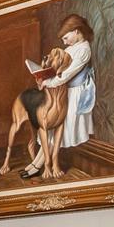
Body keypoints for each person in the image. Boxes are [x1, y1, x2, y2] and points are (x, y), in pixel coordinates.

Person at [36, 14, 96, 175]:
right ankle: (37, 163)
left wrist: (47, 82)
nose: (64, 42)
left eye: (66, 37)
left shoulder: (84, 50)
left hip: (74, 94)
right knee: (50, 124)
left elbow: (67, 74)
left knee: (58, 126)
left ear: (76, 31)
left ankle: (40, 165)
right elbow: (58, 67)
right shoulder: (71, 48)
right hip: (63, 92)